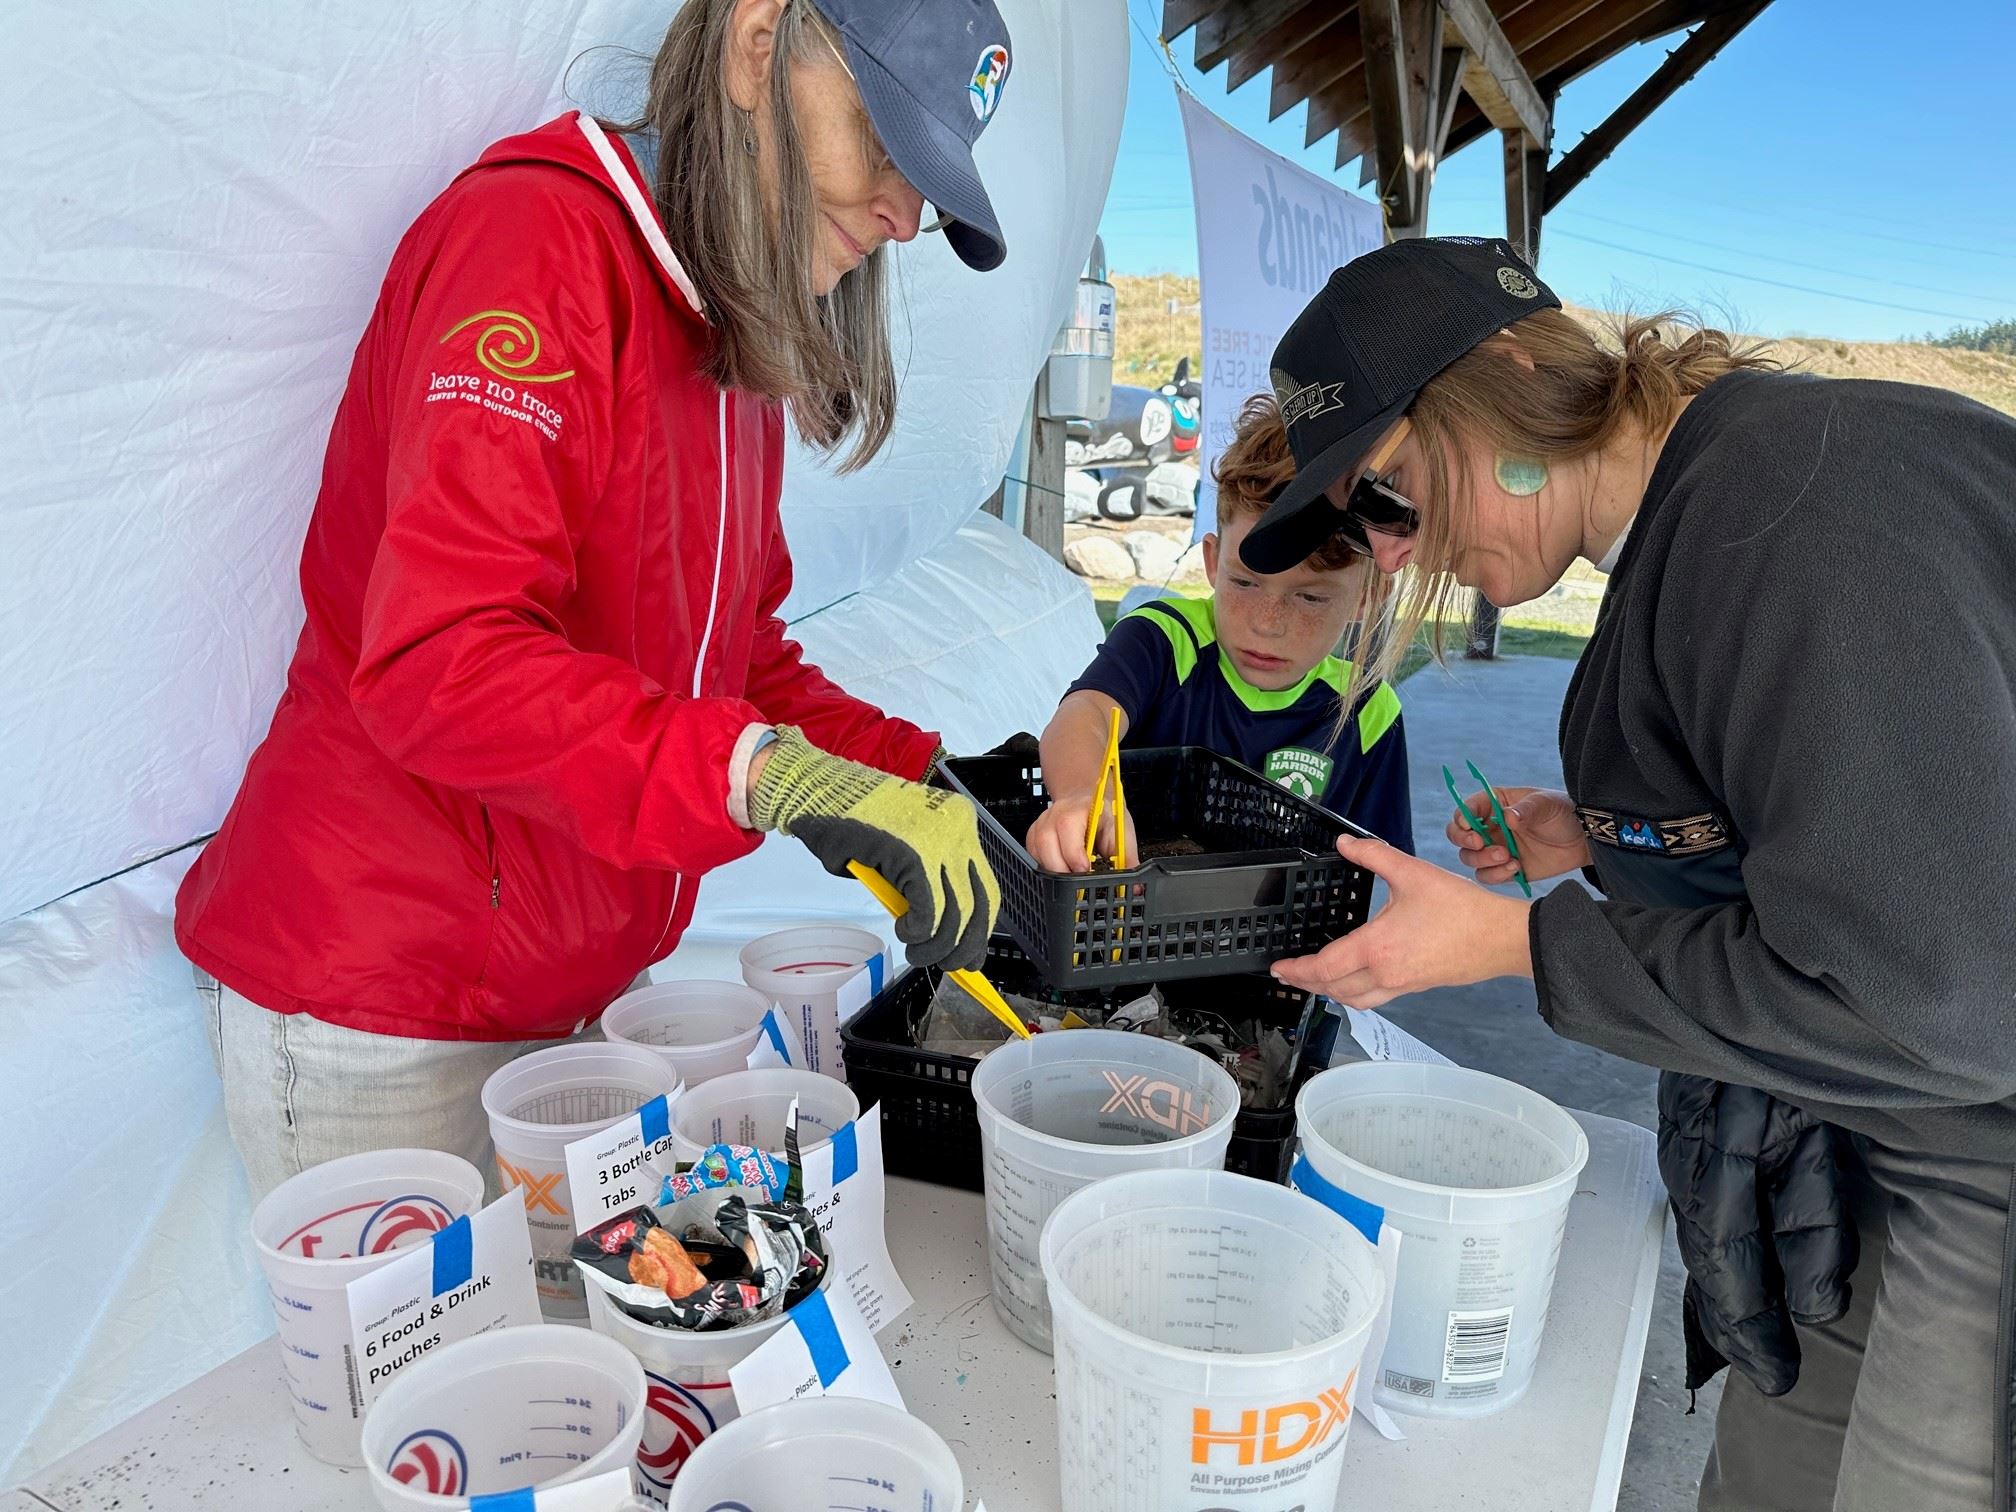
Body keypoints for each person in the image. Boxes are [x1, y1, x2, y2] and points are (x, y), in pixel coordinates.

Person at [175, 0, 1018, 1201]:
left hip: (561, 997)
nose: (904, 211)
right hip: (381, 1000)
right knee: (422, 1393)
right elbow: (439, 661)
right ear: (757, 42)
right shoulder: (536, 241)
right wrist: (771, 777)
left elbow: (735, 660)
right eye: (883, 139)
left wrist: (920, 777)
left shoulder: (729, 327)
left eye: (928, 179)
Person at [1248, 235, 2016, 1512]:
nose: (1384, 553)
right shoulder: (1704, 515)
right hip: (1853, 1116)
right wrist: (1612, 843)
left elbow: (1927, 997)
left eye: (1385, 496)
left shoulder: (1797, 508)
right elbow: (1849, 817)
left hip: (1974, 1131)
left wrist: (1515, 943)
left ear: (1498, 386)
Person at [1025, 392, 1412, 872]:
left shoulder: (1369, 713)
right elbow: (1086, 713)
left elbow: (1391, 875)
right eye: (1245, 582)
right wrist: (1083, 795)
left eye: (1310, 597)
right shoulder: (1164, 641)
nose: (1267, 623)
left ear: (1369, 597)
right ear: (1212, 562)